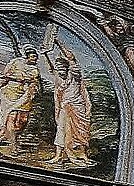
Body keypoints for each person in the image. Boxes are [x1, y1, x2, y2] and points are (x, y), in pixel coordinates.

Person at [41, 35, 96, 168]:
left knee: (81, 130)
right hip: (65, 107)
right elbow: (51, 69)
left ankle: (83, 154)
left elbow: (71, 58)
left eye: (62, 67)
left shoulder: (74, 74)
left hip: (78, 107)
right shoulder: (58, 77)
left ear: (67, 68)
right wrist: (46, 55)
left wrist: (58, 41)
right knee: (61, 130)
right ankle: (58, 155)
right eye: (58, 67)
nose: (59, 70)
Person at [0, 45, 44, 154]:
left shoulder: (35, 70)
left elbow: (33, 82)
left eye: (36, 57)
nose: (34, 59)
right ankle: (13, 145)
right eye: (32, 57)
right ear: (26, 57)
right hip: (10, 95)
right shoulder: (16, 62)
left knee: (22, 121)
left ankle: (11, 138)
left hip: (25, 96)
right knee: (10, 119)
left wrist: (29, 84)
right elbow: (6, 76)